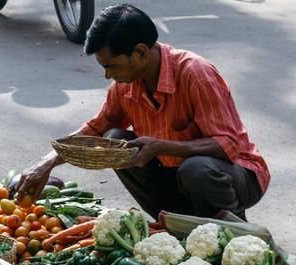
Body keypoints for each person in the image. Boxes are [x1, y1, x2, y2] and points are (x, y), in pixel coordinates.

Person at [15, 3, 269, 222]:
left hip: (236, 175)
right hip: (177, 175)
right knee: (114, 140)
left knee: (196, 169)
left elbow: (228, 145)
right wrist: (46, 162)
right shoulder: (125, 86)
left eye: (112, 66)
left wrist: (162, 146)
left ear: (140, 52)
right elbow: (96, 129)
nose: (108, 75)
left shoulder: (195, 73)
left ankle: (239, 231)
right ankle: (178, 221)